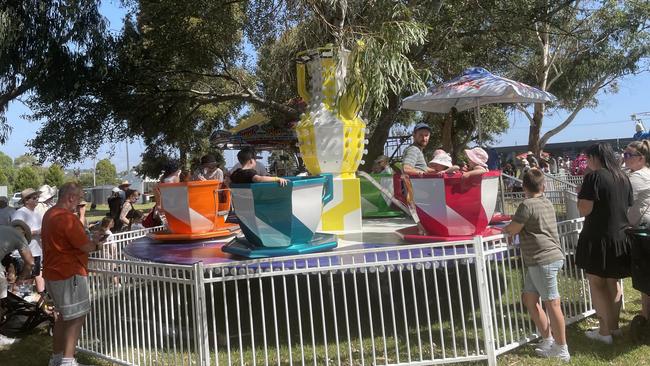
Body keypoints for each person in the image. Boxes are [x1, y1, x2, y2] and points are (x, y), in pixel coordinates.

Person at [503, 169, 569, 361]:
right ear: (544, 186)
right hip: (546, 258)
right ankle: (548, 339)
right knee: (529, 299)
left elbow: (514, 228)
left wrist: (506, 229)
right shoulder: (547, 202)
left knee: (552, 303)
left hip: (542, 260)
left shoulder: (526, 205)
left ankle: (561, 348)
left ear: (524, 187)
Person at [42, 182, 107, 366]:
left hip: (53, 272)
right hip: (69, 273)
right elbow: (86, 247)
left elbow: (70, 242)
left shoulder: (49, 214)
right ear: (70, 198)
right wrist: (97, 244)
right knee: (76, 318)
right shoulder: (66, 218)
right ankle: (68, 361)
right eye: (79, 200)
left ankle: (56, 358)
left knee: (63, 316)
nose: (79, 204)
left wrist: (91, 239)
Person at [576, 142, 632, 344]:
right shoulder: (623, 177)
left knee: (597, 283)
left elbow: (584, 209)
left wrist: (581, 192)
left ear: (593, 157)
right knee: (613, 283)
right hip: (620, 237)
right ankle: (614, 328)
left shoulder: (593, 177)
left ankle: (604, 331)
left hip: (597, 238)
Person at [623, 140, 650, 325]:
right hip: (642, 229)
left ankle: (646, 317)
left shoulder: (637, 177)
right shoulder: (640, 173)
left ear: (641, 158)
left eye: (627, 156)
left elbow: (619, 197)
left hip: (643, 231)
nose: (624, 159)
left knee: (645, 278)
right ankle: (646, 314)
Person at [0, 220, 35, 346]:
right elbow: (30, 262)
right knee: (1, 301)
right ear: (24, 232)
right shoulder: (20, 237)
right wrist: (20, 280)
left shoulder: (3, 228)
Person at [11, 188, 45, 293]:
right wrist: (36, 232)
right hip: (24, 253)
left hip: (36, 252)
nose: (37, 200)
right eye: (34, 198)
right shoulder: (20, 213)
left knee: (30, 280)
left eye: (38, 197)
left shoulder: (37, 213)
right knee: (22, 281)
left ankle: (28, 304)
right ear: (26, 201)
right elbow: (16, 232)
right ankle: (14, 303)